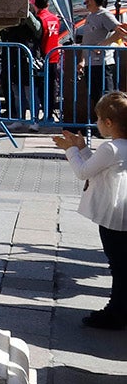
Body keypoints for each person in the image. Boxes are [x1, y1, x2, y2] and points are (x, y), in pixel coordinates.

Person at [53, 91, 127, 330]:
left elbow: (84, 172)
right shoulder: (117, 148)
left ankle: (116, 312)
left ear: (108, 123)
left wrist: (70, 150)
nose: (95, 123)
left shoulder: (111, 148)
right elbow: (97, 167)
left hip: (113, 215)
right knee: (121, 263)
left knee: (118, 264)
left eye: (98, 118)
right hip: (122, 210)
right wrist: (82, 148)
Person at [75, 0, 119, 124]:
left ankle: (110, 123)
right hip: (90, 63)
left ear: (94, 0)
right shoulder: (90, 17)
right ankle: (100, 122)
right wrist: (82, 60)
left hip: (103, 63)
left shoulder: (104, 15)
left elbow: (121, 31)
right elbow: (85, 42)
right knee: (95, 95)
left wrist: (103, 44)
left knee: (105, 95)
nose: (85, 2)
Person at [35, 0, 65, 122]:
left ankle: (46, 113)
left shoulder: (39, 19)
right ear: (48, 3)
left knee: (41, 88)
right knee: (51, 87)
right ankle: (49, 113)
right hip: (54, 56)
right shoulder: (54, 18)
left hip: (42, 57)